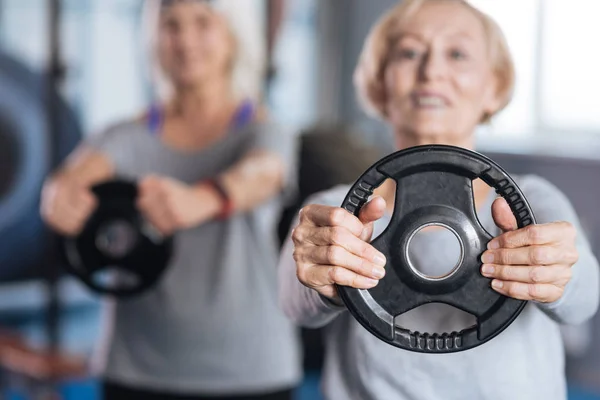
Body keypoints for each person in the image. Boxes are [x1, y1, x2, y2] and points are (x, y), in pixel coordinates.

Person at [278, 1, 600, 399]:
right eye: (410, 52)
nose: (431, 71)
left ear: (494, 86)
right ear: (380, 82)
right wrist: (322, 274)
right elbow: (294, 303)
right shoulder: (337, 209)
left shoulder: (533, 201)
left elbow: (584, 297)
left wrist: (556, 271)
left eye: (458, 54)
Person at [40, 0, 301, 399]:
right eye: (171, 26)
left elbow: (263, 172)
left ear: (231, 35)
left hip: (251, 372)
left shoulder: (263, 130)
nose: (185, 40)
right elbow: (73, 176)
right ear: (154, 39)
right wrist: (57, 194)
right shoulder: (126, 135)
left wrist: (205, 198)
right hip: (136, 370)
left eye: (202, 23)